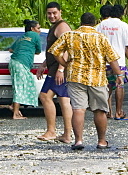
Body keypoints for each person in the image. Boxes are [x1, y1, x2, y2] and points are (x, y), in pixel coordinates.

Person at [49, 12, 123, 150]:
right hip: (97, 79)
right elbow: (112, 58)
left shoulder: (69, 35)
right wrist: (119, 75)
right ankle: (101, 141)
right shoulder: (101, 38)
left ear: (80, 22)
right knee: (100, 110)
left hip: (75, 77)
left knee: (78, 109)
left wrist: (64, 64)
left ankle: (78, 141)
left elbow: (54, 51)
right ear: (95, 23)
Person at [97, 4, 128, 120]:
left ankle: (108, 112)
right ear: (121, 14)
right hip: (119, 62)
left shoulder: (101, 25)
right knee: (119, 86)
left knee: (107, 87)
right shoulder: (123, 25)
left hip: (103, 63)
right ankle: (118, 112)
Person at [38, 2, 73, 142]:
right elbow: (54, 50)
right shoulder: (55, 27)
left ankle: (51, 131)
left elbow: (67, 48)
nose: (52, 16)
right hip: (55, 67)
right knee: (63, 99)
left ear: (60, 12)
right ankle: (67, 135)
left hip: (59, 69)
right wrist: (43, 64)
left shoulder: (62, 27)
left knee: (45, 96)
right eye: (49, 13)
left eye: (54, 13)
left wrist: (61, 68)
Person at [7, 19, 42, 120]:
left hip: (14, 62)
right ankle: (15, 113)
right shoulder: (34, 35)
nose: (39, 30)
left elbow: (10, 49)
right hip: (21, 63)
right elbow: (39, 51)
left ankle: (14, 106)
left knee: (24, 83)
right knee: (20, 87)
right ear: (32, 28)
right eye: (38, 28)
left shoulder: (22, 37)